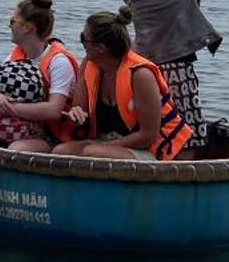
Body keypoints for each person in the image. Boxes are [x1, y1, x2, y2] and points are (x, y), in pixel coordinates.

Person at [115, 0, 227, 147]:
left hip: (144, 63)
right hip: (177, 59)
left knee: (159, 119)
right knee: (188, 126)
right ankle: (189, 164)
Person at [53, 9, 194, 161]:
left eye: (83, 38)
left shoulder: (140, 75)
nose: (82, 44)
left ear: (100, 47)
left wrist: (104, 147)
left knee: (91, 153)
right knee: (60, 151)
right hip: (109, 141)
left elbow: (148, 136)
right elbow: (79, 109)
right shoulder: (90, 65)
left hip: (148, 149)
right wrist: (76, 113)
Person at [0, 0, 79, 153]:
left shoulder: (59, 62)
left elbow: (53, 110)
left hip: (50, 133)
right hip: (14, 128)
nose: (9, 25)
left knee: (17, 149)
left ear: (27, 27)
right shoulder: (17, 54)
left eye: (12, 21)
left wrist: (6, 108)